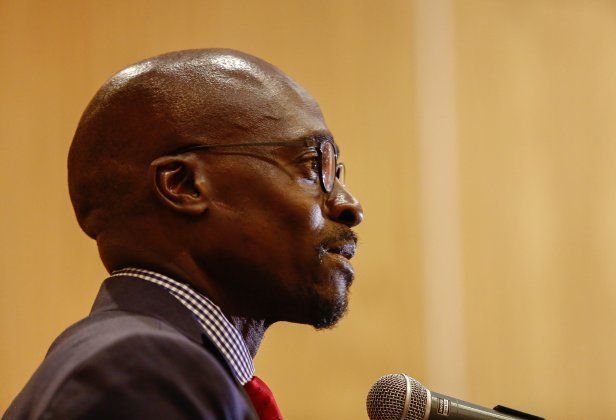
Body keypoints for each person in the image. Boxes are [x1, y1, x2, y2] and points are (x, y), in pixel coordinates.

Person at [4, 49, 363, 419]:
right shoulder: (139, 376)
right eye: (311, 166)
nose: (350, 205)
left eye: (338, 173)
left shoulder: (136, 363)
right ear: (184, 185)